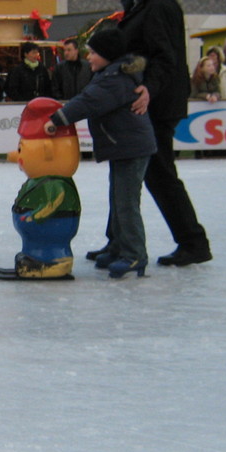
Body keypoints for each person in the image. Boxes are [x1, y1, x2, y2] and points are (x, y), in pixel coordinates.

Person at [110, 0, 211, 266]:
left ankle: (193, 242)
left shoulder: (160, 5)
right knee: (127, 171)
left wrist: (149, 90)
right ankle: (117, 242)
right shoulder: (143, 4)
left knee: (159, 173)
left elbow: (165, 57)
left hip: (155, 105)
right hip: (144, 102)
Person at [44, 28, 156, 279]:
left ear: (108, 55)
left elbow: (87, 102)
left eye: (93, 52)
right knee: (118, 199)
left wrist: (57, 119)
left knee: (126, 203)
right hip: (124, 147)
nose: (89, 56)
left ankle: (134, 254)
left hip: (131, 147)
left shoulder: (114, 78)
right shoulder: (112, 73)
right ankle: (118, 246)